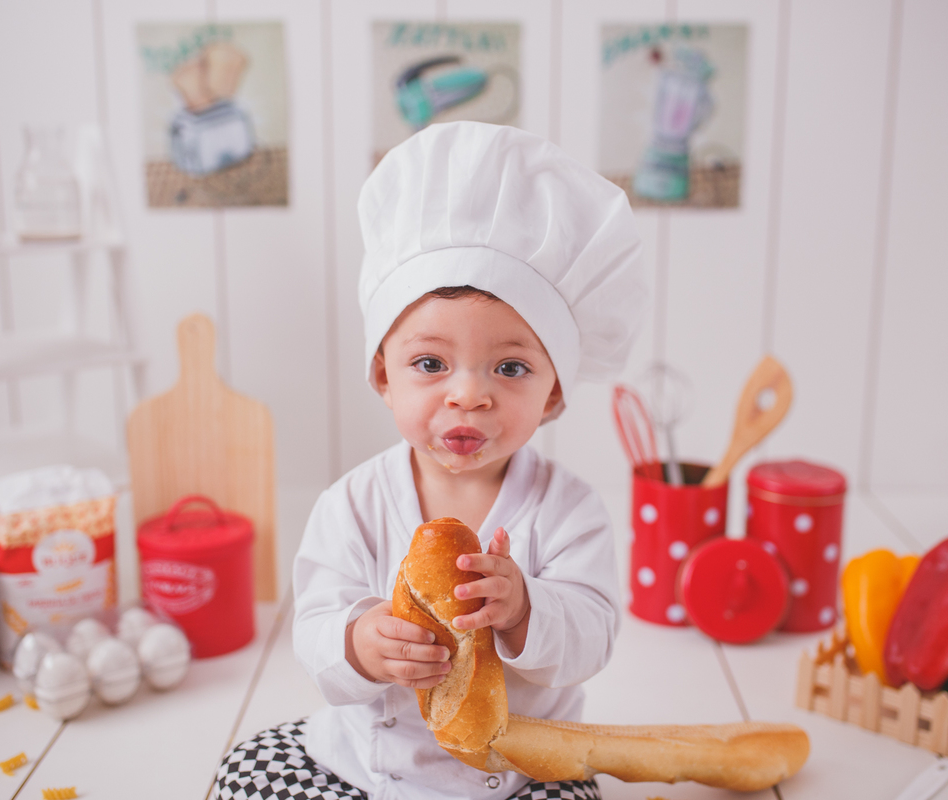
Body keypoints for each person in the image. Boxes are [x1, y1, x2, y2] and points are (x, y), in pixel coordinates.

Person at [215, 121, 648, 800]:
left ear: (554, 390)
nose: (469, 394)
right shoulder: (352, 504)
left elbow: (591, 638)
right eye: (429, 363)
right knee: (247, 769)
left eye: (510, 367)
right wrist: (360, 643)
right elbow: (318, 629)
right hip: (364, 772)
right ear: (383, 375)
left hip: (516, 777)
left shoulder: (570, 510)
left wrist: (524, 608)